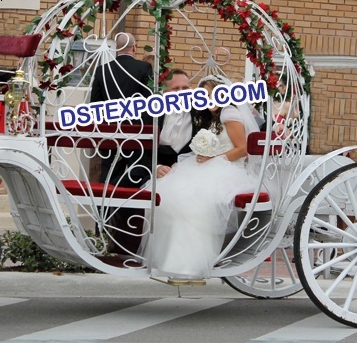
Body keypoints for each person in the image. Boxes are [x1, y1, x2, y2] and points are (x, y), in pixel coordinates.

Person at [149, 74, 262, 279]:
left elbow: (243, 149)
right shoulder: (214, 117)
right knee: (170, 194)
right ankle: (173, 260)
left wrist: (215, 160)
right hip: (212, 165)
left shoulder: (229, 113)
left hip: (229, 169)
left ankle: (191, 264)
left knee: (193, 201)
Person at [90, 33, 152, 256]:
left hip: (110, 135)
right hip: (136, 135)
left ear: (116, 49)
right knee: (135, 179)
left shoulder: (102, 69)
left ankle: (101, 227)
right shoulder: (143, 69)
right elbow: (150, 102)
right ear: (134, 48)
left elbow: (94, 105)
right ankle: (129, 232)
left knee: (108, 179)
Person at [156, 68, 197, 178]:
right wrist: (156, 168)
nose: (181, 92)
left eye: (185, 88)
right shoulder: (152, 114)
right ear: (165, 91)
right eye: (175, 88)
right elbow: (140, 149)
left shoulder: (200, 113)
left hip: (191, 175)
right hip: (155, 176)